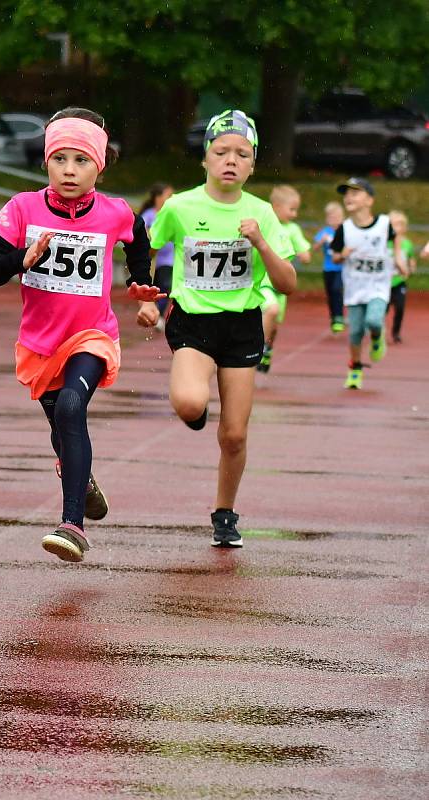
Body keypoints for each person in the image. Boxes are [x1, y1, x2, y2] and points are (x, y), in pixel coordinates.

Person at [0, 107, 162, 563]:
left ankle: (72, 526)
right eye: (60, 160)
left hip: (91, 336)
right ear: (46, 163)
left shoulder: (114, 211)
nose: (69, 170)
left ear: (99, 165)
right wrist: (23, 258)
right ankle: (82, 478)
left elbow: (138, 237)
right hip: (40, 345)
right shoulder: (22, 208)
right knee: (62, 424)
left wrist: (140, 285)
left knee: (74, 406)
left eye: (81, 161)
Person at [141, 110, 296, 548]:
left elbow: (287, 284)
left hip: (242, 326)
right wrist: (152, 300)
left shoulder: (262, 213)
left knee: (234, 434)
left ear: (252, 164)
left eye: (241, 154)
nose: (231, 160)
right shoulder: (180, 207)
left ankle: (225, 513)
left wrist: (261, 243)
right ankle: (197, 411)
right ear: (205, 159)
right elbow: (147, 251)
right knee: (189, 404)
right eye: (221, 151)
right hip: (192, 320)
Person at [330, 178, 407, 390]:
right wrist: (342, 255)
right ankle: (355, 369)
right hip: (355, 288)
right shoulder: (344, 229)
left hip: (379, 286)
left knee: (373, 320)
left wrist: (399, 258)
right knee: (355, 332)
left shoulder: (383, 223)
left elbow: (396, 238)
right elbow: (335, 256)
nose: (349, 197)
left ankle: (376, 336)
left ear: (369, 200)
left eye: (356, 193)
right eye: (346, 193)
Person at [257, 185, 310, 373]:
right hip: (263, 281)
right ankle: (258, 349)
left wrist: (304, 254)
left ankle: (268, 349)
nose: (295, 214)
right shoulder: (263, 224)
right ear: (276, 206)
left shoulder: (293, 229)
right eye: (291, 209)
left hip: (281, 285)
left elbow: (304, 250)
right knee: (271, 310)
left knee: (274, 325)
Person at [138, 183, 174, 329]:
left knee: (166, 286)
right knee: (157, 289)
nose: (172, 199)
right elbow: (142, 236)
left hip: (170, 259)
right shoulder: (149, 216)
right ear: (158, 198)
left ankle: (157, 314)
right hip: (154, 260)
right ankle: (153, 313)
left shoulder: (172, 213)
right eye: (168, 196)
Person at [313, 201, 346, 333]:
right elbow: (314, 248)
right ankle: (333, 317)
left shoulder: (344, 231)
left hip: (341, 268)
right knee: (330, 293)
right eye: (332, 217)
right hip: (328, 268)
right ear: (327, 219)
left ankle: (339, 317)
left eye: (337, 217)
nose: (335, 220)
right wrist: (322, 241)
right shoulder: (325, 232)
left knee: (337, 289)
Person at [387, 210, 416, 344]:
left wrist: (410, 268)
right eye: (392, 225)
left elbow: (411, 260)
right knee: (382, 309)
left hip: (399, 282)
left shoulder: (407, 244)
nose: (395, 228)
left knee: (400, 307)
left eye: (398, 225)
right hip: (384, 282)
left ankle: (396, 332)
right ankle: (378, 332)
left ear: (404, 227)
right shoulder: (384, 243)